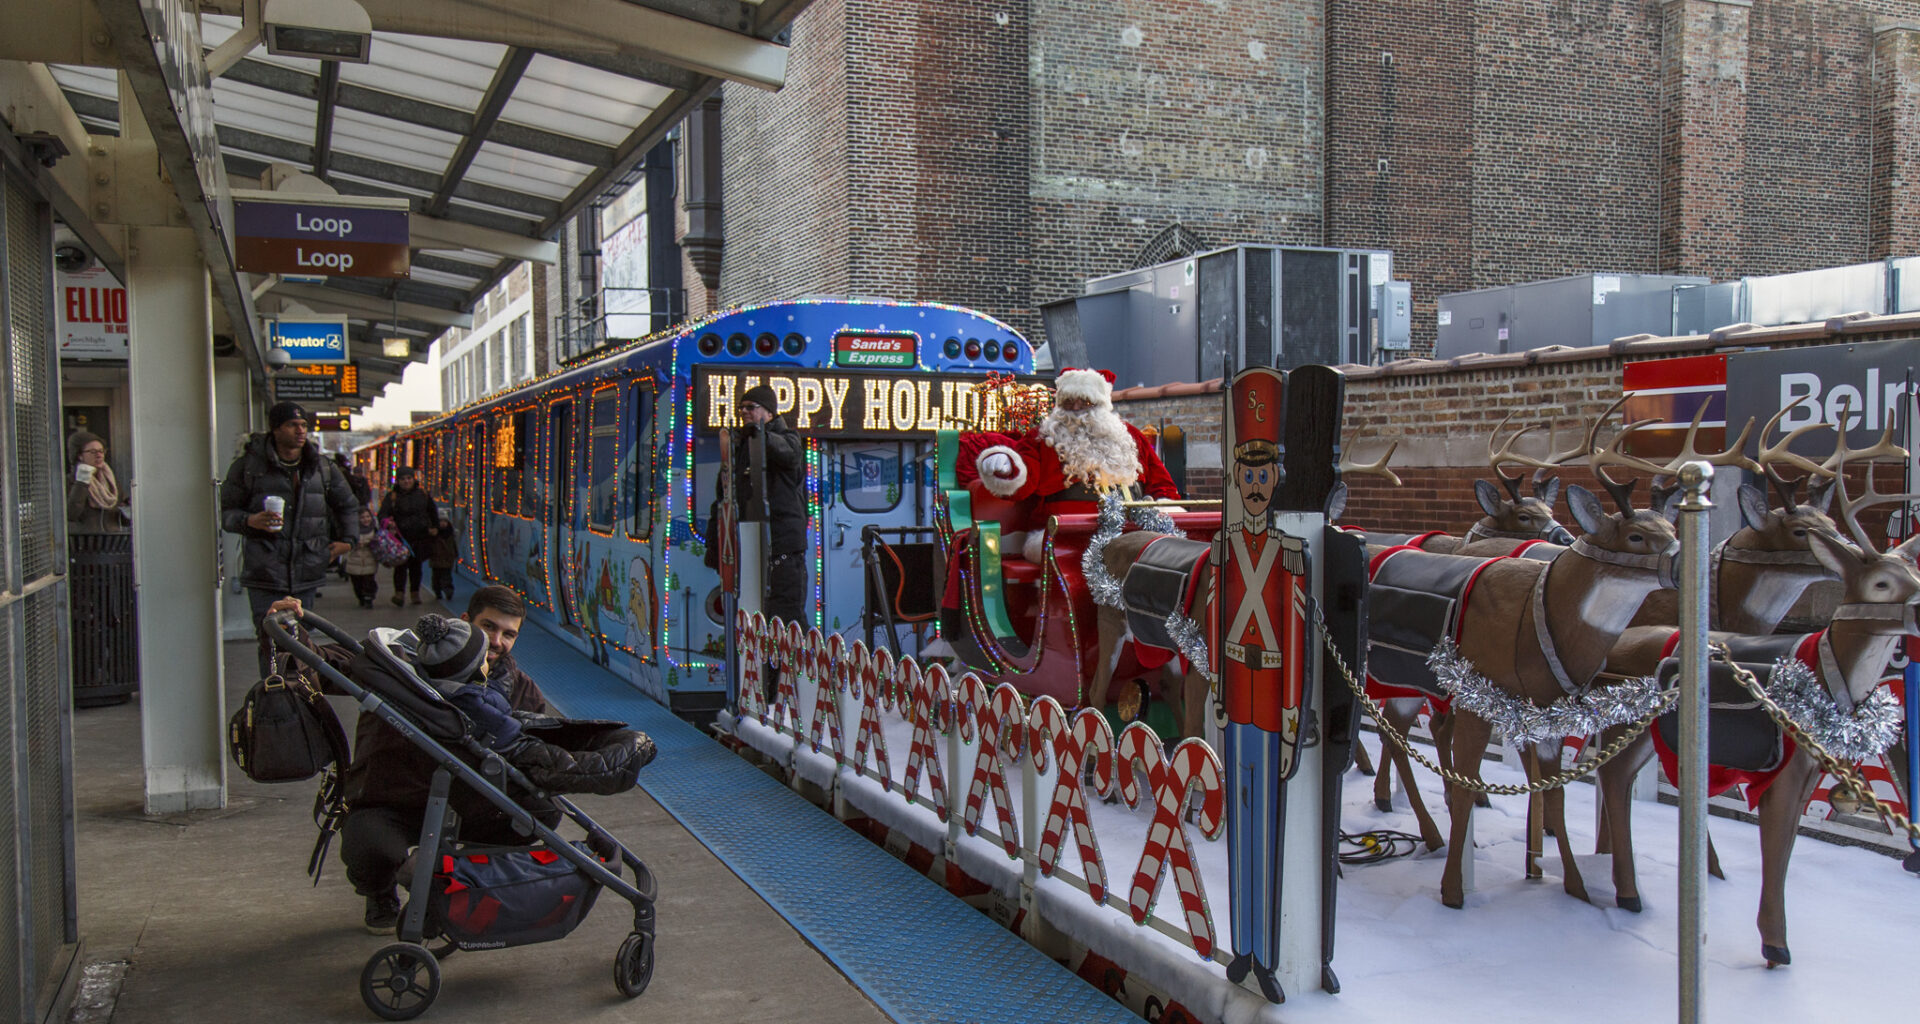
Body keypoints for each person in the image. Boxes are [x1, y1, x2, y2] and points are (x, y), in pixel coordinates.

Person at [339, 585, 547, 932]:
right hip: (394, 800)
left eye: (509, 634)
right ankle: (379, 891)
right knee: (366, 845)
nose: (497, 641)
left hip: (465, 803)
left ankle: (452, 881)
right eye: (489, 627)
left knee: (539, 813)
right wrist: (291, 631)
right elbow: (338, 661)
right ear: (464, 621)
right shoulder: (401, 665)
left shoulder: (519, 688)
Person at [974, 366, 1183, 561]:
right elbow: (1022, 483)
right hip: (1062, 532)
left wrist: (1165, 510)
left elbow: (1162, 484)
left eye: (1085, 402)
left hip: (1130, 530)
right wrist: (1007, 466)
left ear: (1102, 405)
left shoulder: (1129, 436)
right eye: (1068, 402)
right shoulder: (1042, 438)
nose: (1076, 409)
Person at [219, 402, 357, 676]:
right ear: (275, 429)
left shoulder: (321, 467)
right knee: (271, 640)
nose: (300, 431)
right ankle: (275, 698)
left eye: (304, 425)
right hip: (264, 571)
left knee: (301, 641)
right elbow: (224, 513)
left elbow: (348, 504)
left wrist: (348, 541)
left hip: (307, 569)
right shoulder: (248, 467)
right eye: (293, 425)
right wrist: (249, 520)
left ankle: (300, 698)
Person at [719, 383, 806, 634]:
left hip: (784, 545)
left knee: (788, 615)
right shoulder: (742, 445)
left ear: (769, 413)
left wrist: (761, 435)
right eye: (741, 408)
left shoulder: (787, 439)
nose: (744, 412)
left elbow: (789, 454)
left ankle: (796, 667)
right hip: (752, 545)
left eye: (751, 407)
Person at [378, 466, 439, 607]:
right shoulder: (392, 496)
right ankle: (399, 593)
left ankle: (415, 593)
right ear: (398, 481)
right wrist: (388, 524)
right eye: (403, 479)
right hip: (399, 538)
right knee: (400, 566)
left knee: (416, 567)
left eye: (409, 478)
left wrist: (434, 527)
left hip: (420, 537)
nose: (406, 481)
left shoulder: (423, 494)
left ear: (413, 479)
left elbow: (432, 511)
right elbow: (382, 514)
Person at [66, 431, 128, 533]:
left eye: (101, 451)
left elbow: (120, 518)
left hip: (111, 543)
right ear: (79, 455)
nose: (99, 455)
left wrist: (128, 509)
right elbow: (71, 514)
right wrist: (82, 483)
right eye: (93, 452)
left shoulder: (110, 481)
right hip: (86, 543)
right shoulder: (70, 482)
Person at [342, 507, 381, 608]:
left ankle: (369, 597)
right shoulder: (353, 530)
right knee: (357, 583)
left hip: (369, 560)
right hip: (355, 561)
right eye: (362, 517)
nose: (366, 519)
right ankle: (361, 597)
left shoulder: (374, 529)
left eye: (368, 516)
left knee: (369, 581)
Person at [427, 516, 459, 601]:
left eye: (445, 521)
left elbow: (454, 546)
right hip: (437, 559)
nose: (443, 523)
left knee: (446, 576)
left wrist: (454, 554)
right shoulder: (434, 535)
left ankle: (448, 592)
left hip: (447, 559)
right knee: (436, 577)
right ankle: (438, 592)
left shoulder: (450, 534)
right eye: (441, 521)